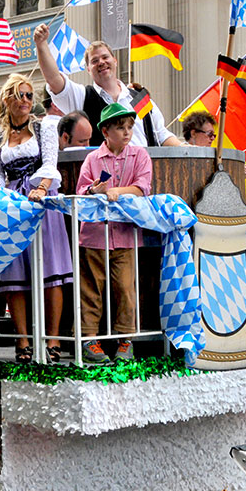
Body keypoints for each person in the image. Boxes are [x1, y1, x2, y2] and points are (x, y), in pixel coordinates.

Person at [0, 74, 73, 364]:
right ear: (7, 100)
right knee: (15, 274)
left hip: (40, 201)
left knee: (51, 272)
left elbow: (51, 164)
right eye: (20, 95)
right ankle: (23, 339)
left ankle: (52, 339)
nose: (26, 101)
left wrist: (41, 188)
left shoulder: (45, 128)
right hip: (12, 205)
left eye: (29, 95)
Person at [75, 102, 153, 365]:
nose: (127, 132)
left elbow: (143, 187)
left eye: (130, 127)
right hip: (94, 235)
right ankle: (89, 340)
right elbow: (82, 190)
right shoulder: (92, 159)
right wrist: (94, 190)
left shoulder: (139, 155)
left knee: (125, 288)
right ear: (106, 131)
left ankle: (126, 339)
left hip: (126, 235)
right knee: (91, 288)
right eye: (121, 127)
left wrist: (118, 192)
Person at [33, 25, 182, 148]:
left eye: (105, 57)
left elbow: (161, 134)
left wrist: (188, 150)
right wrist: (41, 45)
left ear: (115, 61)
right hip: (106, 178)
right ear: (88, 69)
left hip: (145, 175)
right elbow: (54, 79)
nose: (101, 62)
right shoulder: (83, 97)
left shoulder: (138, 97)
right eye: (95, 60)